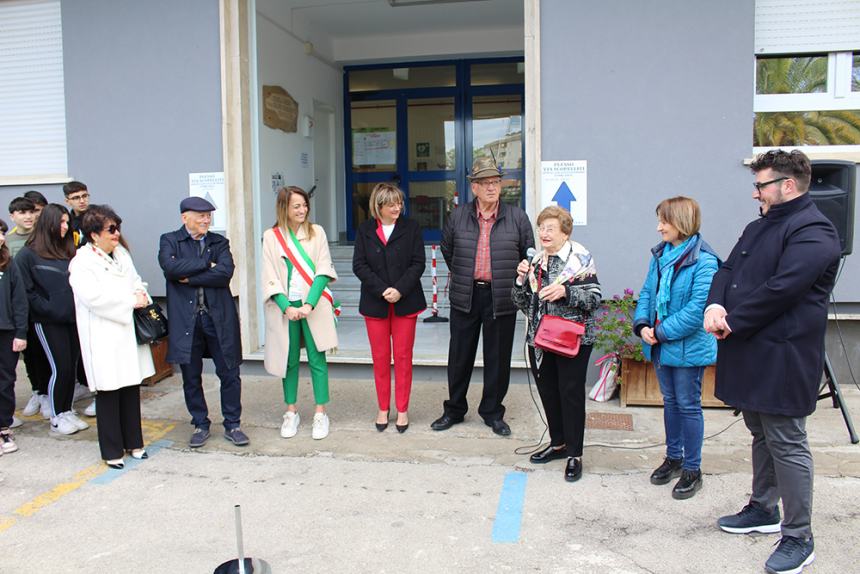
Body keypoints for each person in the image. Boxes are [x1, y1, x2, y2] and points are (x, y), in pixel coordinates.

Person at [704, 150, 840, 574]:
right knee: (760, 430)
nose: (754, 193)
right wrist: (713, 306)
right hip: (748, 348)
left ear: (787, 185)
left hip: (782, 354)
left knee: (786, 439)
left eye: (761, 185)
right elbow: (727, 270)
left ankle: (799, 535)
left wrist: (733, 320)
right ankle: (763, 508)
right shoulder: (759, 225)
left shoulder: (815, 231)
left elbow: (783, 289)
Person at [431, 158, 534, 436]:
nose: (492, 188)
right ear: (474, 187)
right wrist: (466, 276)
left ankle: (492, 412)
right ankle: (454, 409)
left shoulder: (517, 217)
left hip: (501, 297)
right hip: (466, 294)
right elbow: (448, 249)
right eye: (486, 183)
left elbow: (529, 254)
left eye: (496, 182)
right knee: (459, 356)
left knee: (497, 359)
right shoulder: (458, 216)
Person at [633, 197, 719, 500]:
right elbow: (647, 292)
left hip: (687, 346)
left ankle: (693, 469)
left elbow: (698, 310)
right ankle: (674, 457)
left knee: (688, 405)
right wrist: (642, 324)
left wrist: (660, 331)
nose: (658, 228)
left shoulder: (705, 260)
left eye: (663, 222)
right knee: (670, 402)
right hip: (661, 344)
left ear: (681, 222)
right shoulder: (660, 255)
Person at [512, 206, 601, 482]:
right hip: (540, 339)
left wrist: (566, 292)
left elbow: (595, 299)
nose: (543, 233)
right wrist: (519, 281)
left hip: (573, 338)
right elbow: (524, 304)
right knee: (549, 392)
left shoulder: (580, 258)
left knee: (570, 394)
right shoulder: (536, 262)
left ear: (565, 231)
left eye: (550, 228)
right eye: (541, 228)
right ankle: (558, 443)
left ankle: (575, 454)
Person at [158, 197, 248, 448]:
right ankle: (200, 423)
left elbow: (225, 273)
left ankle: (233, 424)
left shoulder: (219, 242)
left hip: (217, 317)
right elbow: (170, 268)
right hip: (187, 320)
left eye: (208, 215)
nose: (206, 220)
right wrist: (206, 265)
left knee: (229, 372)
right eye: (201, 215)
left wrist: (190, 276)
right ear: (184, 217)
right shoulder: (170, 240)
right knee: (191, 375)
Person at [69, 205, 154, 469]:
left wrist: (140, 294)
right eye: (111, 229)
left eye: (117, 228)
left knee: (130, 388)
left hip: (127, 332)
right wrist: (130, 300)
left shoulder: (121, 254)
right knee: (108, 392)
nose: (117, 234)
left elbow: (136, 280)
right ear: (94, 234)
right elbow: (94, 298)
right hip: (104, 334)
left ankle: (135, 442)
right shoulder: (82, 262)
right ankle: (112, 450)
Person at [262, 186, 338, 440]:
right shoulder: (271, 237)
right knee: (289, 359)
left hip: (312, 305)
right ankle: (291, 411)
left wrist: (309, 304)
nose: (302, 210)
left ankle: (320, 412)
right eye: (296, 206)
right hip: (286, 308)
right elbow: (270, 276)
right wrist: (287, 307)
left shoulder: (317, 233)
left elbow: (324, 268)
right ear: (284, 208)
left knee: (318, 359)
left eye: (304, 205)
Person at [352, 182, 426, 432]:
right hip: (375, 303)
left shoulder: (412, 228)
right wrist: (382, 289)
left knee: (403, 358)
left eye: (400, 203)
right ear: (379, 206)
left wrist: (399, 289)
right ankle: (383, 408)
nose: (398, 208)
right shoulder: (364, 230)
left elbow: (418, 263)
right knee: (380, 358)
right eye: (392, 204)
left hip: (406, 302)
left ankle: (402, 409)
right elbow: (359, 265)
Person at [14, 204, 89, 436]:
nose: (66, 227)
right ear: (49, 223)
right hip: (47, 322)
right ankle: (56, 417)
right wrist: (48, 309)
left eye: (67, 222)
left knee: (71, 367)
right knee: (59, 367)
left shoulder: (68, 250)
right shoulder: (27, 254)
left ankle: (66, 411)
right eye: (62, 222)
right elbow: (26, 291)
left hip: (72, 319)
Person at [0, 218, 28, 454]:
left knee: (6, 381)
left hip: (6, 332)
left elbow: (19, 301)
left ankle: (4, 428)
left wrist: (21, 332)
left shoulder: (9, 265)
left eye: (2, 233)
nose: (1, 237)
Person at [63, 181, 90, 247]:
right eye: (76, 198)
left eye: (84, 196)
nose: (82, 201)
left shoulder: (98, 217)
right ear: (67, 201)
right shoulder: (67, 222)